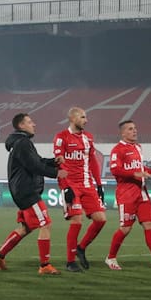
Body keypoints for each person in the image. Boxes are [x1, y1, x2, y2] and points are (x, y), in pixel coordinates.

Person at [0, 113, 69, 274]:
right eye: (30, 122)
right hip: (27, 191)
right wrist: (56, 173)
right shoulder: (23, 143)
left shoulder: (21, 143)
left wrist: (53, 161)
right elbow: (35, 166)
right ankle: (45, 265)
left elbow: (36, 161)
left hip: (21, 190)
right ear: (21, 126)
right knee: (46, 223)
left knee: (26, 228)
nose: (34, 124)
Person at [103, 120, 151, 271]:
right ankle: (110, 258)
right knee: (125, 228)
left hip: (141, 193)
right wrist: (134, 173)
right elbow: (115, 169)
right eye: (130, 129)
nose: (134, 131)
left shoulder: (137, 147)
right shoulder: (118, 149)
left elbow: (140, 168)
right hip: (126, 194)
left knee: (149, 224)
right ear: (123, 133)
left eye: (135, 128)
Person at [53, 107, 107, 270]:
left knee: (101, 219)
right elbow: (59, 163)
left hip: (87, 185)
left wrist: (99, 184)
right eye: (83, 117)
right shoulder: (61, 137)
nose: (86, 120)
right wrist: (65, 186)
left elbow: (92, 162)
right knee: (77, 220)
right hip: (71, 185)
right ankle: (70, 261)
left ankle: (81, 248)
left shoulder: (88, 138)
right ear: (72, 118)